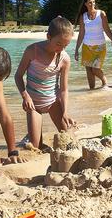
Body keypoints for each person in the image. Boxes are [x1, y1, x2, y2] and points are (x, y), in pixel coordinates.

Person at [14, 16, 76, 149]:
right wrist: (25, 96)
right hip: (33, 104)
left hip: (53, 102)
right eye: (58, 44)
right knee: (35, 147)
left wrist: (65, 111)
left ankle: (33, 133)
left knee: (69, 140)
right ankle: (31, 135)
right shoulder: (33, 51)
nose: (61, 48)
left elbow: (64, 89)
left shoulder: (65, 59)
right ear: (48, 36)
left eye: (66, 45)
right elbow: (18, 76)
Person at [73, 0, 112, 89]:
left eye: (93, 2)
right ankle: (91, 90)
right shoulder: (83, 16)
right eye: (89, 2)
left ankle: (105, 82)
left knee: (95, 69)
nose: (92, 4)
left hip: (100, 46)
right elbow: (81, 34)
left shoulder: (101, 14)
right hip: (86, 47)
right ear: (85, 4)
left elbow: (106, 29)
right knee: (89, 71)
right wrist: (76, 49)